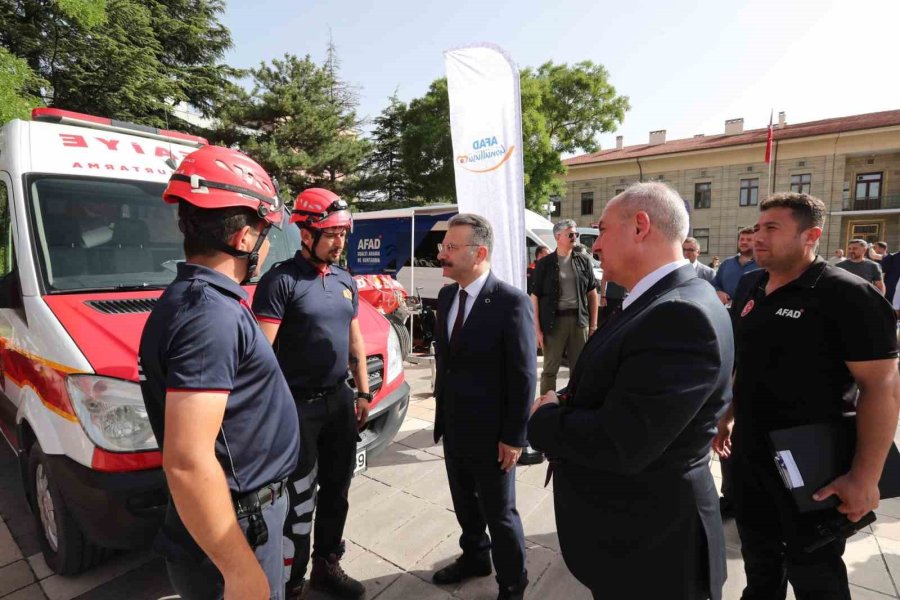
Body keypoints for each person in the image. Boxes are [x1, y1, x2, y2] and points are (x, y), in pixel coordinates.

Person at [528, 182, 731, 600]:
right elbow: (621, 385)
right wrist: (564, 400)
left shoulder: (679, 313)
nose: (596, 244)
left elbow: (623, 441)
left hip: (655, 553)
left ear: (640, 226)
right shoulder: (661, 300)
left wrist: (544, 418)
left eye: (602, 230)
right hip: (638, 540)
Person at [714, 192, 900, 600]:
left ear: (811, 236)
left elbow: (882, 387)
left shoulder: (847, 294)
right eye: (758, 228)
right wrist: (727, 415)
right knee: (760, 566)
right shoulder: (751, 284)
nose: (757, 237)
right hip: (750, 458)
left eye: (772, 228)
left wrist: (864, 478)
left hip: (813, 467)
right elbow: (745, 359)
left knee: (816, 576)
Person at [138, 146, 298, 600]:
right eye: (265, 234)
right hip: (239, 527)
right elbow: (188, 461)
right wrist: (240, 571)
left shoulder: (203, 301)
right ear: (245, 239)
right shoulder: (209, 315)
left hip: (245, 514)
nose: (268, 247)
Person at [253, 188, 368, 600]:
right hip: (297, 407)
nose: (340, 242)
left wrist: (363, 392)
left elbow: (354, 340)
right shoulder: (281, 281)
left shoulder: (344, 279)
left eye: (343, 233)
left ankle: (326, 566)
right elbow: (261, 355)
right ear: (306, 234)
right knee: (298, 498)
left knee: (338, 490)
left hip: (339, 401)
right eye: (332, 234)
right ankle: (291, 580)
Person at [431, 213, 535, 600]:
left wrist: (514, 436)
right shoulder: (447, 297)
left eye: (451, 247)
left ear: (479, 253)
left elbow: (524, 376)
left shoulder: (511, 302)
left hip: (493, 436)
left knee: (500, 513)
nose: (442, 254)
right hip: (454, 426)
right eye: (443, 246)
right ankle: (475, 556)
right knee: (465, 506)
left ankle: (513, 582)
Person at [530, 219, 598, 394]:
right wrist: (537, 330)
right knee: (550, 369)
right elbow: (534, 297)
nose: (574, 237)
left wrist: (593, 326)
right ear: (558, 237)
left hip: (579, 321)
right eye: (570, 234)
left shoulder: (583, 261)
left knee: (580, 368)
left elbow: (592, 294)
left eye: (575, 234)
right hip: (553, 323)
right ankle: (547, 405)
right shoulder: (545, 264)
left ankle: (576, 403)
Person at [713, 226, 758, 305]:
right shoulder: (727, 263)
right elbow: (715, 284)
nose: (744, 242)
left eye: (749, 240)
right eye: (741, 239)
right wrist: (718, 291)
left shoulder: (763, 265)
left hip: (752, 310)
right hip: (726, 310)